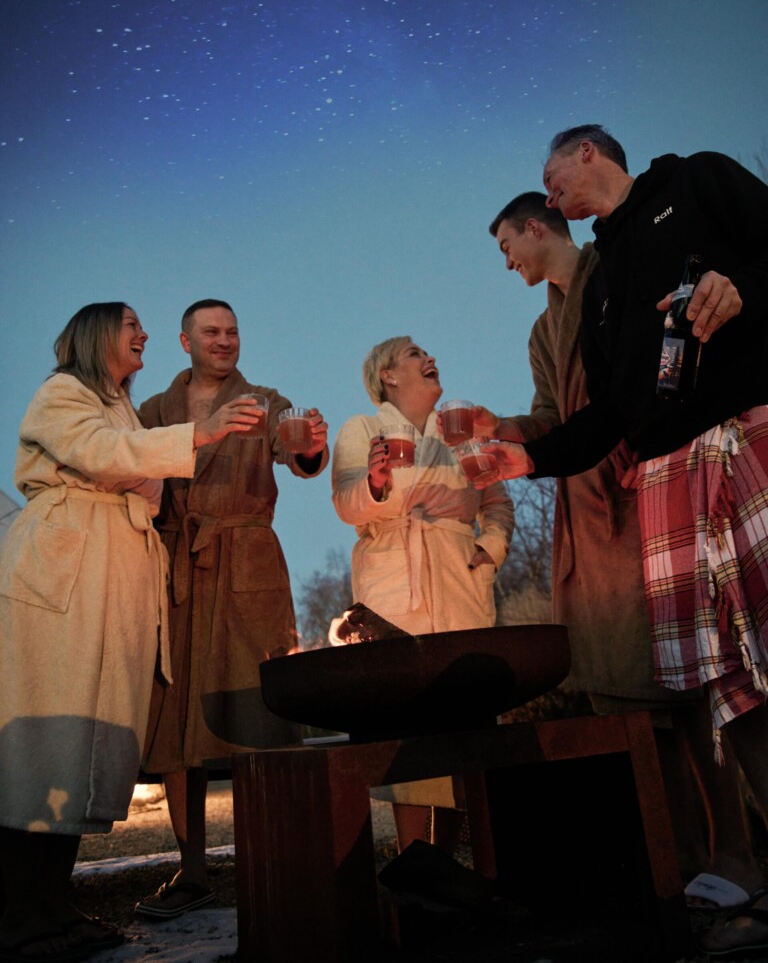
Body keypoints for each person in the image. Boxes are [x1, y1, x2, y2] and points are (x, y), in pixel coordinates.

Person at [479, 127, 768, 956]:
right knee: (727, 678)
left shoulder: (697, 183)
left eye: (548, 175)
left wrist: (742, 288)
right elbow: (602, 415)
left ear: (589, 155)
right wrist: (525, 454)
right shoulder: (603, 296)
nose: (546, 187)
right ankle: (734, 868)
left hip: (744, 432)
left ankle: (734, 855)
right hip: (666, 468)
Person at [0, 302, 260, 961]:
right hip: (63, 576)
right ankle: (19, 921)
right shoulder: (64, 393)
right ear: (96, 337)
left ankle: (54, 910)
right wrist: (196, 435)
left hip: (111, 578)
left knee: (82, 752)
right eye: (131, 325)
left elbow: (132, 468)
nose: (142, 335)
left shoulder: (119, 409)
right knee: (44, 754)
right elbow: (97, 454)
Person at [134, 298, 328, 921]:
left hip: (246, 559)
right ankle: (191, 872)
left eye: (233, 331)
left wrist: (310, 449)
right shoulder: (153, 411)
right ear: (185, 341)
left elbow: (297, 458)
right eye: (211, 332)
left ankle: (270, 856)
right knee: (175, 716)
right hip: (174, 565)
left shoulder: (266, 400)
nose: (225, 341)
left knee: (254, 703)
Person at [331, 335, 515, 852]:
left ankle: (466, 862)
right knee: (409, 733)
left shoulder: (460, 431)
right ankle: (417, 861)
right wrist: (375, 483)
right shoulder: (362, 430)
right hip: (394, 589)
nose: (429, 356)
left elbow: (496, 499)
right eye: (414, 353)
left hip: (459, 581)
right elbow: (347, 504)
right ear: (387, 374)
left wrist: (490, 551)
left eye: (427, 351)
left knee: (466, 724)